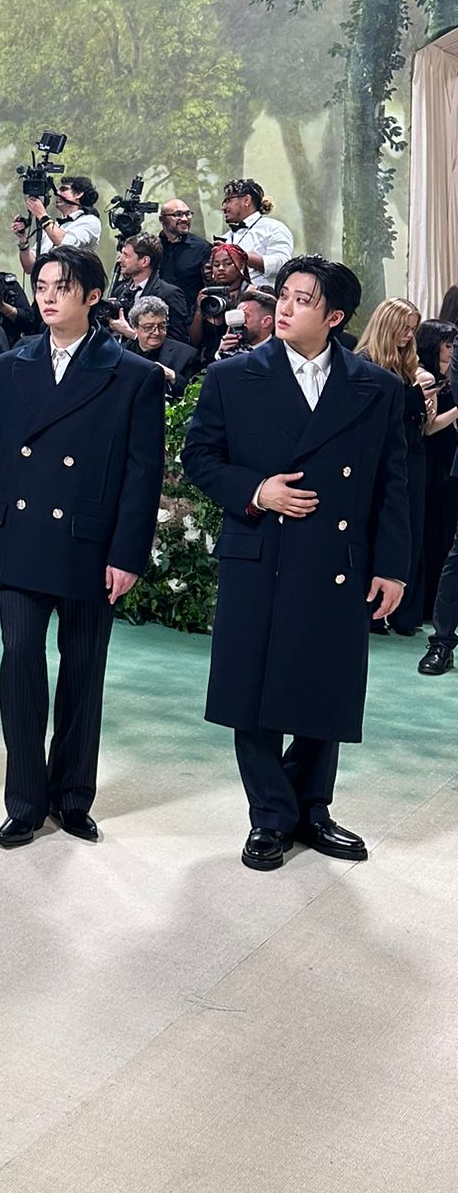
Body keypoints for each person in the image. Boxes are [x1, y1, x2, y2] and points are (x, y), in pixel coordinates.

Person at [182, 257, 408, 871]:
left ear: (334, 317)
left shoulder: (377, 388)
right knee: (249, 689)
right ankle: (270, 817)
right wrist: (258, 491)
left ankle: (312, 808)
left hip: (338, 560)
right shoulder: (233, 377)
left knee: (323, 686)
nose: (284, 308)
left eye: (303, 300)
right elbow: (199, 457)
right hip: (261, 552)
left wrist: (392, 567)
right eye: (283, 295)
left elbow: (393, 483)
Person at [0, 246, 166, 847]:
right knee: (20, 662)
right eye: (41, 285)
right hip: (23, 538)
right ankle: (26, 801)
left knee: (84, 674)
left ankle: (74, 796)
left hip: (91, 544)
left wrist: (127, 554)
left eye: (62, 285)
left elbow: (143, 476)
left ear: (91, 296)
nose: (49, 295)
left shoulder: (132, 375)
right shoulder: (9, 366)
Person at [356, 298, 435, 637]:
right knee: (377, 528)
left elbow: (423, 422)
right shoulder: (362, 365)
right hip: (378, 457)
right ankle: (374, 609)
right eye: (404, 327)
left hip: (413, 455)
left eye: (413, 329)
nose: (408, 334)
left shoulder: (408, 367)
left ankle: (404, 612)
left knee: (411, 528)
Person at [416, 321, 458, 625]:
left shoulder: (447, 378)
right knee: (435, 530)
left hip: (449, 456)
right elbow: (429, 427)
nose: (451, 350)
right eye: (447, 345)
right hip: (434, 460)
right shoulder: (426, 378)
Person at [106, 234, 189, 342]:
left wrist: (131, 334)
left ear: (144, 261)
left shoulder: (170, 294)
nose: (120, 260)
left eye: (126, 255)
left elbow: (175, 343)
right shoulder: (120, 290)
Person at [13, 174, 101, 273]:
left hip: (71, 285)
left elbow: (66, 244)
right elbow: (30, 267)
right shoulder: (52, 227)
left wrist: (42, 215)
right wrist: (23, 239)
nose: (57, 193)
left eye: (63, 190)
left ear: (78, 194)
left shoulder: (90, 221)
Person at [187, 241, 251, 368]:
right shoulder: (207, 296)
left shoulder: (253, 294)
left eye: (228, 263)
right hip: (208, 364)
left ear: (242, 265)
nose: (221, 268)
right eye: (216, 265)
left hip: (244, 360)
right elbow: (194, 341)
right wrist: (200, 311)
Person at [222, 178, 294, 282]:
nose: (223, 207)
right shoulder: (226, 237)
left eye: (228, 201)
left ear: (246, 200)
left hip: (263, 296)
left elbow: (283, 264)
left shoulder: (274, 228)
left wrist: (243, 256)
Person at [128, 295, 198, 398]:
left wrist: (173, 376)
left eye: (162, 326)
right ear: (134, 327)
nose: (156, 332)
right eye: (149, 327)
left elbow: (194, 396)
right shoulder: (121, 352)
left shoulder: (187, 355)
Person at [157, 198, 210, 318]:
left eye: (188, 214)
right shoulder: (152, 248)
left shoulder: (202, 248)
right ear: (162, 219)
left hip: (189, 319)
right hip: (156, 316)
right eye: (178, 215)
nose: (185, 219)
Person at [215, 284, 277, 359]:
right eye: (237, 315)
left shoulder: (281, 353)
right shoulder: (230, 350)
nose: (239, 321)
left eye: (244, 315)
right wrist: (222, 355)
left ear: (266, 321)